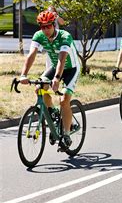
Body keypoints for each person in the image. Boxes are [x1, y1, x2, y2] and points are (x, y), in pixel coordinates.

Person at [20, 11, 80, 148]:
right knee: (39, 89)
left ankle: (66, 133)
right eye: (42, 27)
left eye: (48, 26)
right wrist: (23, 75)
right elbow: (31, 55)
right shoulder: (39, 36)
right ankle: (52, 112)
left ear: (54, 25)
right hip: (55, 67)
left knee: (64, 100)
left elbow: (62, 58)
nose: (46, 30)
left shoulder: (65, 36)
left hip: (71, 69)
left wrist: (57, 78)